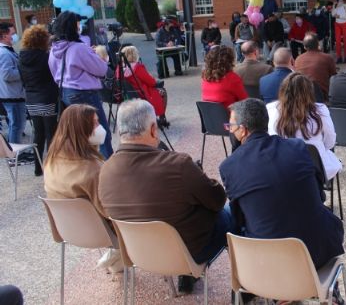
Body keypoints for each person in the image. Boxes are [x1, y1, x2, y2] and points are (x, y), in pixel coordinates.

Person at [99, 99, 231, 293]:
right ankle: (248, 283)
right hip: (189, 252)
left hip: (138, 254)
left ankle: (187, 275)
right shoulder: (178, 165)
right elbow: (218, 200)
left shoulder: (105, 170)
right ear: (153, 130)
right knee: (232, 211)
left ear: (120, 131)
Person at [220, 98, 344, 269]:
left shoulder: (229, 166)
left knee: (228, 217)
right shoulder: (298, 147)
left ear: (243, 130)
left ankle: (245, 288)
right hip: (319, 252)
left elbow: (240, 218)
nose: (230, 130)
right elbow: (319, 194)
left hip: (269, 265)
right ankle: (330, 289)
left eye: (231, 126)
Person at [44, 104, 122, 273]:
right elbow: (110, 211)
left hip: (67, 230)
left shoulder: (51, 161)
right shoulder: (92, 170)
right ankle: (120, 253)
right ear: (81, 130)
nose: (99, 128)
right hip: (102, 233)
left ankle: (117, 258)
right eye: (94, 124)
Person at [49, 12, 112, 158]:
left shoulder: (54, 49)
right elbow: (101, 69)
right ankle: (107, 168)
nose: (80, 27)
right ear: (73, 27)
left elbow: (54, 74)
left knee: (80, 133)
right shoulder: (78, 48)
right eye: (77, 24)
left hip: (66, 92)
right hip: (85, 92)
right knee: (100, 132)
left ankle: (85, 165)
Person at [267, 73, 342, 180]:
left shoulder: (270, 109)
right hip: (314, 168)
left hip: (281, 166)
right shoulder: (320, 110)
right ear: (309, 92)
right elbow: (330, 141)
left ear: (283, 90)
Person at [18, 25, 59, 175]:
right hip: (47, 97)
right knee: (51, 133)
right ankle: (52, 168)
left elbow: (23, 79)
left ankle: (37, 168)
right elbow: (53, 76)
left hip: (31, 99)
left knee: (38, 134)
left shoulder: (21, 57)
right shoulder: (46, 56)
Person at [117, 46, 169, 128]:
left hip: (127, 95)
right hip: (142, 94)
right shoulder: (137, 67)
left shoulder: (119, 69)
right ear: (134, 55)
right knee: (162, 91)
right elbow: (151, 82)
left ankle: (157, 118)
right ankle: (161, 118)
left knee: (158, 89)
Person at [0, 23, 26, 145]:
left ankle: (15, 153)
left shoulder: (6, 51)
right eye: (13, 34)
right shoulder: (4, 53)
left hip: (11, 94)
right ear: (5, 36)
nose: (15, 36)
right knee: (17, 125)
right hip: (12, 95)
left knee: (15, 124)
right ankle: (15, 155)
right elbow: (8, 75)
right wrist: (24, 71)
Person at [294, 33, 337, 99]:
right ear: (318, 44)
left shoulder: (298, 59)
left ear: (304, 47)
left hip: (303, 96)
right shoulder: (327, 58)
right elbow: (334, 77)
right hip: (322, 97)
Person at [331, 0, 346, 64]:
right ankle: (339, 57)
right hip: (337, 24)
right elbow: (332, 13)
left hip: (345, 23)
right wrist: (334, 14)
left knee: (345, 41)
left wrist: (340, 16)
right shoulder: (336, 3)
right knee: (338, 41)